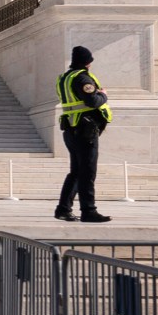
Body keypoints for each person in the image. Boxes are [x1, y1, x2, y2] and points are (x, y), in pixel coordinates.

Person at [53, 44, 113, 223]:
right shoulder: (82, 78)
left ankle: (63, 209)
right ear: (87, 62)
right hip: (85, 129)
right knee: (87, 172)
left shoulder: (65, 78)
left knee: (77, 172)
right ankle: (88, 211)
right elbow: (92, 101)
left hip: (71, 128)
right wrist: (104, 95)